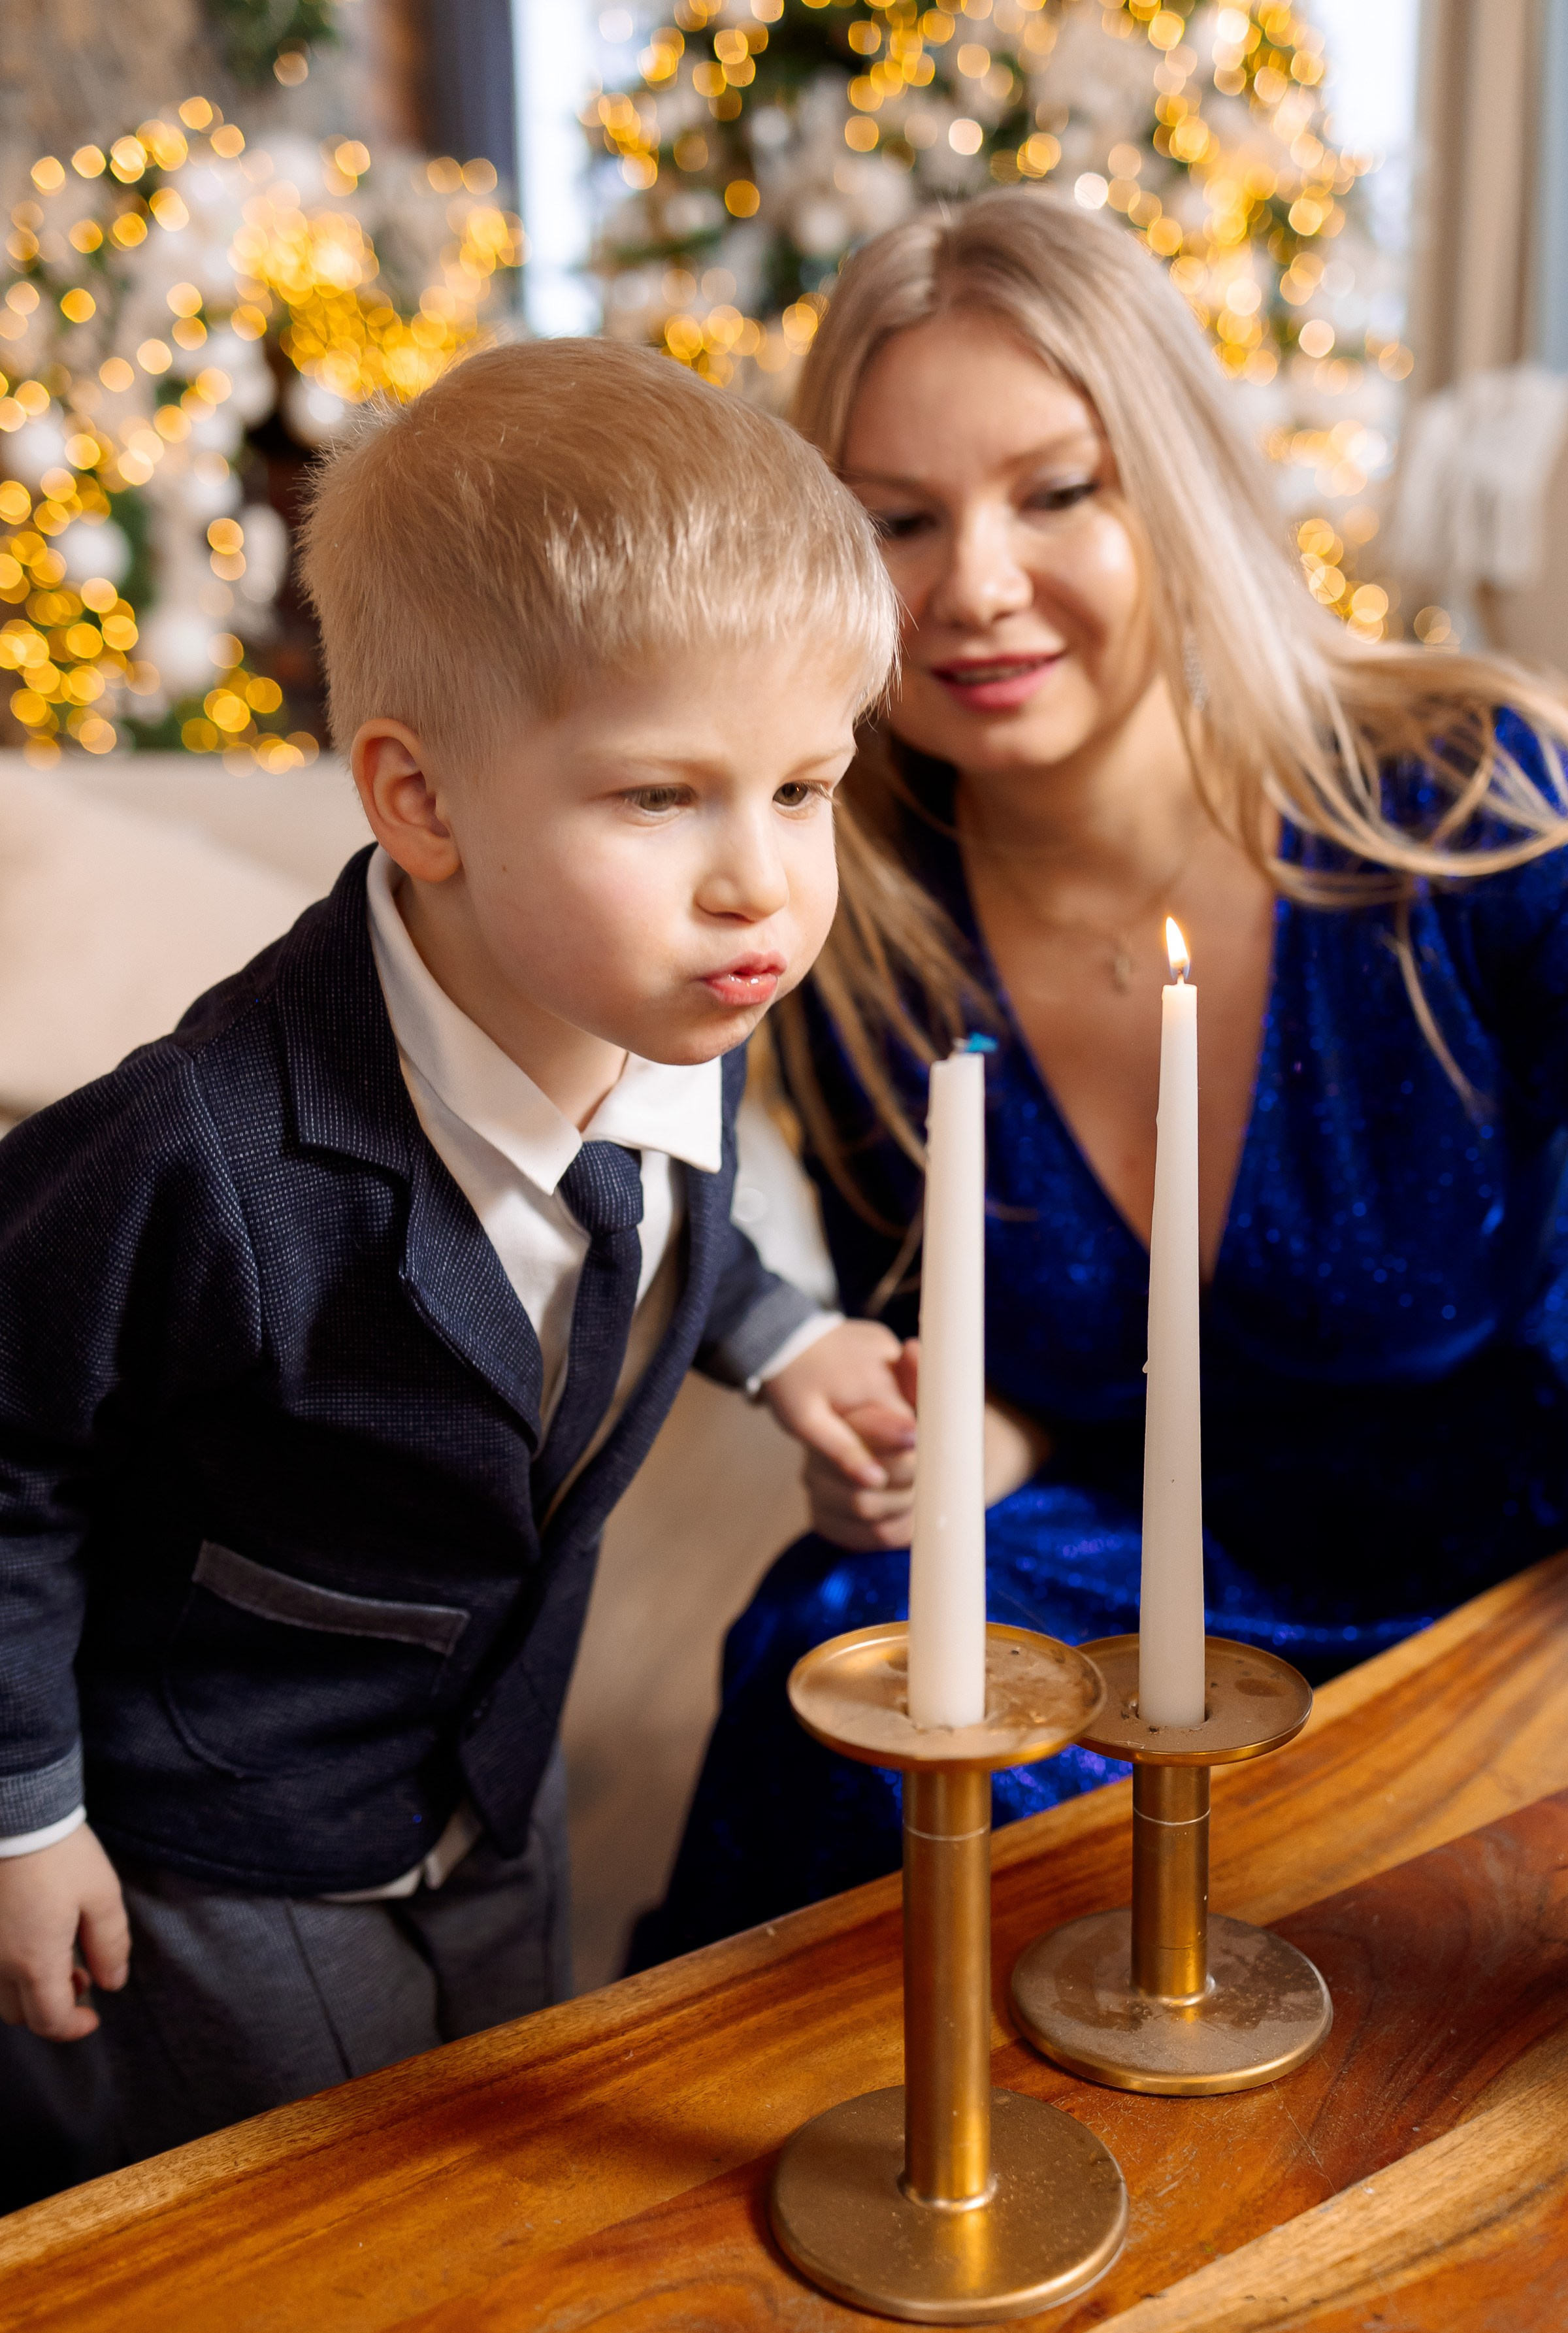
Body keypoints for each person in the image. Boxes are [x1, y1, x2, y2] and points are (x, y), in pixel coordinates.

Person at [0, 338, 916, 2160]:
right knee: (315, 2224)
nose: (764, 884)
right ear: (418, 804)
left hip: (498, 1798)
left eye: (806, 788)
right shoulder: (195, 1155)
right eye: (664, 797)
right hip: (223, 1851)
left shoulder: (680, 1014)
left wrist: (788, 1335)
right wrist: (25, 1816)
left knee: (521, 2164)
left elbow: (651, 1229)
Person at [634, 188, 1568, 1966]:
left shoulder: (1475, 803)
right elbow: (958, 1343)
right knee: (839, 1656)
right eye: (898, 521)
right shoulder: (853, 933)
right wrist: (965, 1427)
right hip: (1135, 1574)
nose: (976, 586)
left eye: (1059, 492)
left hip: (1501, 1595)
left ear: (1181, 486)